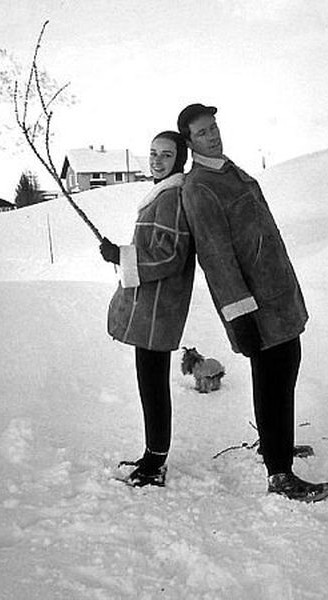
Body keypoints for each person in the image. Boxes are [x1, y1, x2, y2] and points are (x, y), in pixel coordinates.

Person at [177, 103, 328, 503]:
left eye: (213, 128)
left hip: (276, 291)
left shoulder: (229, 170)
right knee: (274, 376)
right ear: (189, 141)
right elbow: (215, 255)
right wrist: (239, 314)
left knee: (285, 367)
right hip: (255, 304)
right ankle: (279, 474)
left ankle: (274, 446)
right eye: (202, 133)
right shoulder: (199, 186)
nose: (212, 135)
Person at [99, 130, 195, 487]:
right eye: (153, 153)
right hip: (152, 303)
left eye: (166, 155)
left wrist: (121, 255)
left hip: (159, 306)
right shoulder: (163, 193)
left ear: (179, 159)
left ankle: (155, 463)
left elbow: (171, 254)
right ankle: (152, 454)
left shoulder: (172, 197)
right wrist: (122, 254)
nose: (157, 160)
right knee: (149, 382)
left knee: (153, 385)